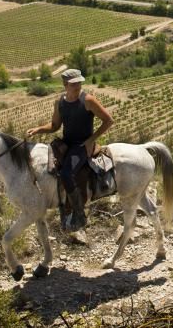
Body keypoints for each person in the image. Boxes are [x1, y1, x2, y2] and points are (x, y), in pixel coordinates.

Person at [27, 68, 113, 231]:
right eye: (74, 83)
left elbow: (108, 120)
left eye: (79, 82)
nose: (78, 86)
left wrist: (91, 140)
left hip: (82, 145)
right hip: (67, 143)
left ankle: (79, 213)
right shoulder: (60, 102)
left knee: (66, 173)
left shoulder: (88, 100)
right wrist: (38, 129)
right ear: (65, 84)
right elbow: (54, 126)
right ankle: (60, 204)